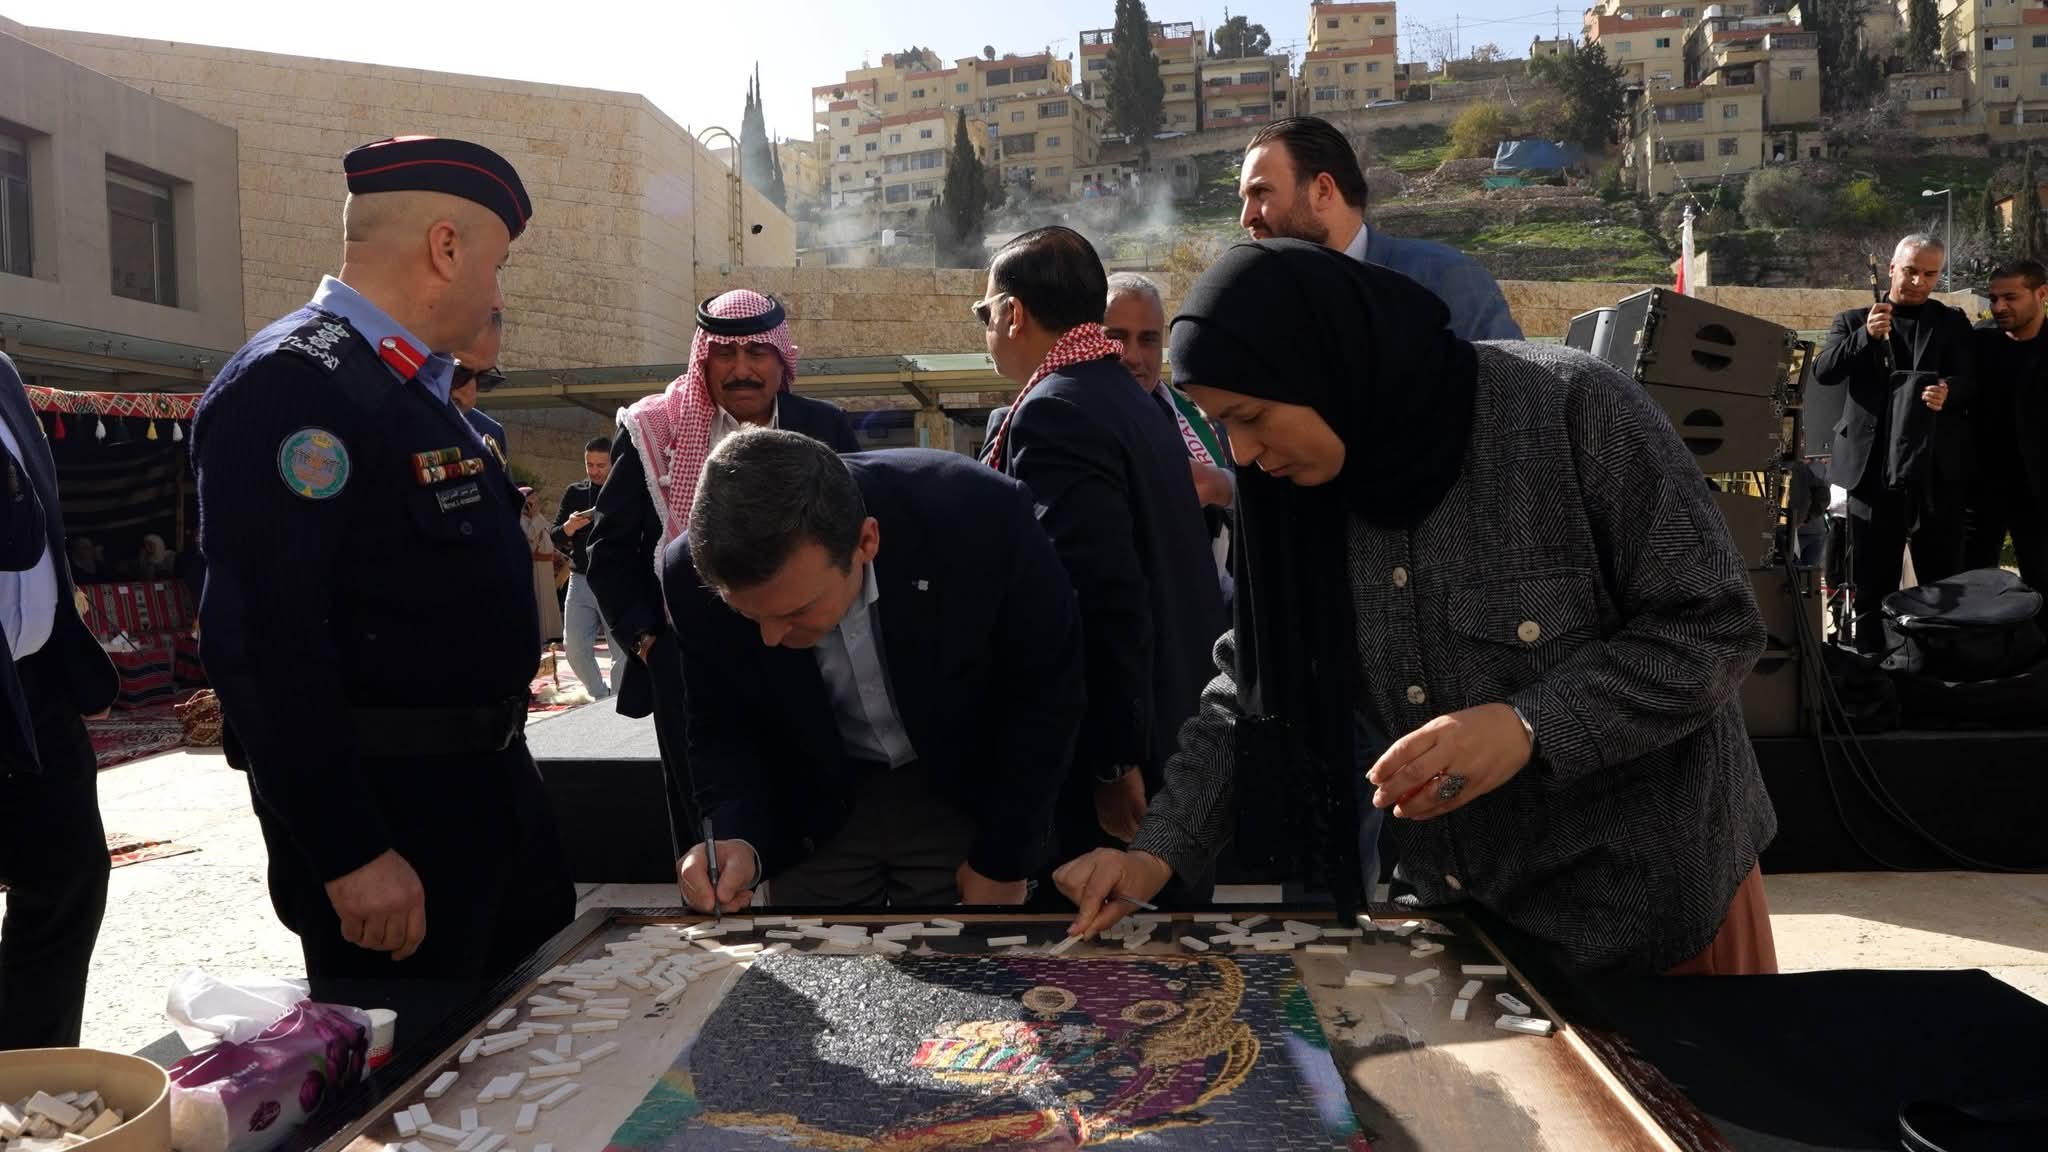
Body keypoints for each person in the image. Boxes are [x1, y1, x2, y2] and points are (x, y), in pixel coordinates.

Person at [1056, 239, 1778, 977]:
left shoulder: (1570, 410)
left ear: (1323, 368)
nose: (1241, 454)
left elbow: (1714, 627)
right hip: (1461, 918)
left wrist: (1527, 726)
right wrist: (1152, 855)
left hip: (1653, 916)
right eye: (1221, 426)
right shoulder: (1295, 499)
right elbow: (1252, 686)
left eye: (1253, 416)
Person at [191, 137, 573, 1017]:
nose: (497, 294)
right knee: (419, 1100)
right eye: (497, 265)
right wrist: (349, 849)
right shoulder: (293, 384)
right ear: (446, 248)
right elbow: (262, 641)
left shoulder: (405, 386)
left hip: (483, 800)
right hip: (396, 832)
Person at [668, 429, 1084, 909]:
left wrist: (1003, 858)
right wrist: (736, 837)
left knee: (968, 964)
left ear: (866, 541)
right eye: (748, 615)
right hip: (814, 800)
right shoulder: (690, 576)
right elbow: (720, 725)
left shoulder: (978, 517)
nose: (769, 637)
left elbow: (1045, 693)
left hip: (966, 784)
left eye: (796, 610)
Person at [978, 227, 1225, 879]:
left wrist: (1112, 763)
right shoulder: (1127, 400)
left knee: (1103, 965)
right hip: (1171, 730)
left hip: (1121, 767)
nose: (987, 329)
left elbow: (1098, 596)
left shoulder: (1056, 413)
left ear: (1014, 313)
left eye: (985, 313)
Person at [586, 290, 858, 840]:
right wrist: (648, 641)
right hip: (688, 655)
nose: (741, 370)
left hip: (804, 649)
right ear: (701, 359)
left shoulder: (824, 427)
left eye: (758, 353)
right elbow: (609, 550)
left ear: (782, 359)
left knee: (813, 803)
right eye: (724, 356)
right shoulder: (652, 428)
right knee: (709, 812)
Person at [0, 351, 120, 1050]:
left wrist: (66, 658)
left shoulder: (4, 375)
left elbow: (40, 525)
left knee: (69, 880)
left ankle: (28, 1079)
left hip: (36, 686)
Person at [1813, 233, 1976, 652]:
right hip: (1871, 473)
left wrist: (1948, 393)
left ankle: (1938, 672)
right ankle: (1870, 674)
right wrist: (1865, 336)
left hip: (1932, 471)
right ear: (1890, 269)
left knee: (1944, 584)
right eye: (1910, 271)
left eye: (1930, 274)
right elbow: (1824, 372)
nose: (1919, 281)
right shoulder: (1852, 320)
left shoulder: (1951, 322)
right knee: (1871, 581)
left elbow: (1972, 382)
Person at [1238, 117, 1522, 342]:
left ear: (1323, 191)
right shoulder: (1260, 307)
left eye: (1261, 192)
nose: (1245, 218)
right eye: (1244, 199)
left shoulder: (1444, 282)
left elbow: (1518, 403)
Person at [1964, 259, 2048, 589]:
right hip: (1979, 488)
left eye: (2010, 297)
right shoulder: (1978, 343)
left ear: (2041, 293)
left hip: (2040, 491)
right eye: (1994, 298)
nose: (1999, 307)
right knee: (1968, 585)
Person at [551, 436, 613, 699]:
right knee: (574, 647)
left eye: (601, 465)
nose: (594, 470)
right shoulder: (575, 492)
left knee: (621, 649)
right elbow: (555, 536)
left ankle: (617, 700)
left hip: (616, 580)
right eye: (589, 464)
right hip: (581, 579)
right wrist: (569, 527)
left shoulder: (627, 491)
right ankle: (601, 696)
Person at [450, 309, 508, 459]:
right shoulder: (387, 414)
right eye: (459, 374)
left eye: (484, 378)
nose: (469, 398)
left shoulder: (490, 434)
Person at [519, 487, 563, 646]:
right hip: (535, 566)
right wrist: (535, 516)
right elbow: (530, 538)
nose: (536, 502)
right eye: (532, 499)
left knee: (549, 600)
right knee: (540, 600)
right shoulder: (521, 519)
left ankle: (553, 634)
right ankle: (542, 636)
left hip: (545, 566)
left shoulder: (537, 516)